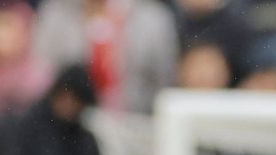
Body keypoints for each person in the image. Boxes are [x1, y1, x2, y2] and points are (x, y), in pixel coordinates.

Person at [33, 0, 178, 113]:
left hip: (136, 124)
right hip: (71, 128)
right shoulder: (56, 14)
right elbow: (43, 75)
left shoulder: (152, 16)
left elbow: (164, 81)